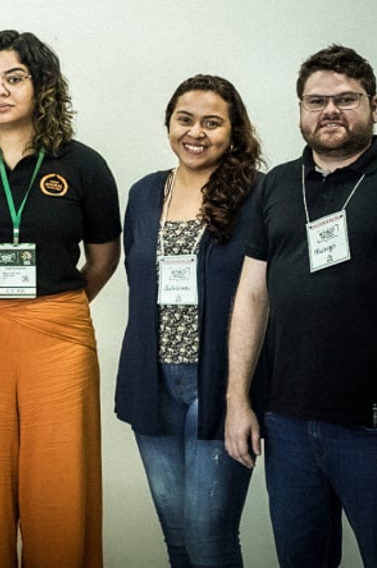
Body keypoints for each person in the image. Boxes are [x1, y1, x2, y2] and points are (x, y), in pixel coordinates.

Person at [225, 45, 377, 567]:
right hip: (287, 425)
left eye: (346, 99)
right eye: (316, 100)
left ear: (373, 105)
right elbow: (252, 296)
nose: (330, 110)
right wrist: (239, 400)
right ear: (300, 109)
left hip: (376, 426)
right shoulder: (277, 184)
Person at [0, 30, 120, 568]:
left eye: (14, 79)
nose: (1, 91)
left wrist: (50, 310)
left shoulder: (82, 164)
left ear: (42, 87)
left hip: (58, 340)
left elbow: (103, 258)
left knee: (58, 493)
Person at [114, 75, 263, 567]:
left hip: (219, 381)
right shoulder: (143, 193)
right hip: (152, 380)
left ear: (234, 131)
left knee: (209, 538)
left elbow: (266, 292)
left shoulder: (257, 195)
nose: (196, 132)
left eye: (212, 122)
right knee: (177, 539)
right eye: (185, 119)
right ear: (169, 124)